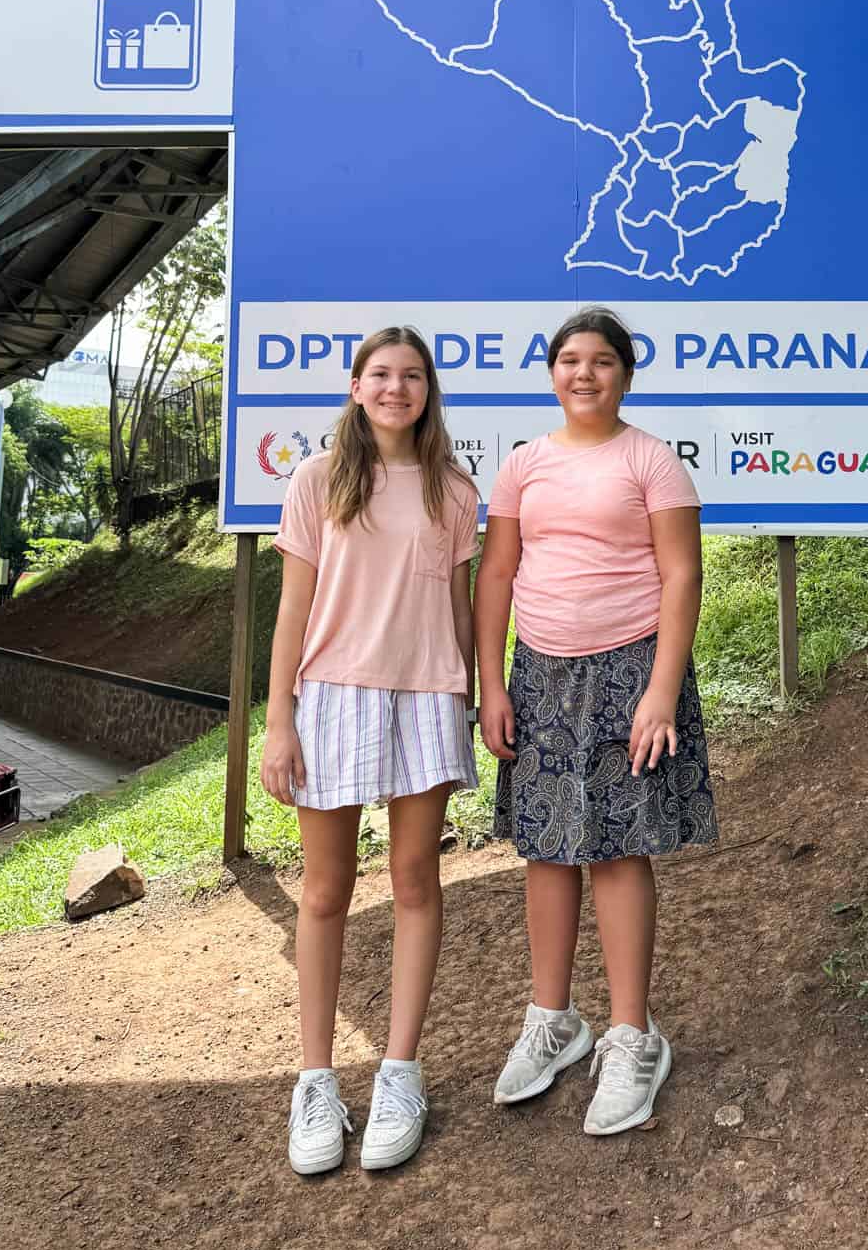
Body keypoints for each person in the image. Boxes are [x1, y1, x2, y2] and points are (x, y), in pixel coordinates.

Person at [475, 307, 718, 1136]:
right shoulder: (522, 466)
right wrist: (492, 684)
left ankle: (630, 1034)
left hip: (630, 672)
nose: (585, 374)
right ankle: (554, 1020)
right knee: (547, 850)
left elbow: (681, 576)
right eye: (570, 360)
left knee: (615, 850)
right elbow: (496, 575)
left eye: (602, 361)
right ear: (551, 372)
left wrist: (660, 689)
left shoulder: (652, 460)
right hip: (538, 676)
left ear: (625, 373)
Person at [260, 327, 480, 1178]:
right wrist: (280, 721)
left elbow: (461, 608)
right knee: (324, 892)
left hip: (428, 695)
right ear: (356, 388)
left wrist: (473, 692)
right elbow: (292, 611)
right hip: (335, 698)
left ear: (429, 390)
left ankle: (399, 1073)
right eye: (381, 375)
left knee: (416, 882)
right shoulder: (317, 481)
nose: (396, 389)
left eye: (412, 376)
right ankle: (316, 1080)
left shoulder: (455, 493)